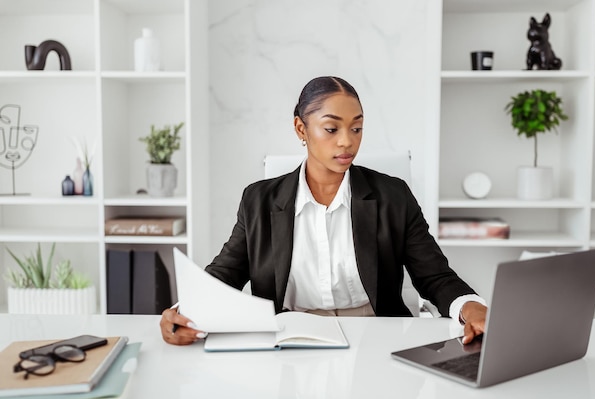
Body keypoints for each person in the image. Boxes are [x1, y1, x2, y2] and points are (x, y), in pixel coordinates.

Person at [160, 76, 487, 345]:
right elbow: (226, 273)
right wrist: (185, 311)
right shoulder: (258, 200)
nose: (347, 142)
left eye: (356, 128)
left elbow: (435, 276)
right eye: (332, 129)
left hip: (376, 339)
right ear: (302, 130)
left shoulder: (393, 196)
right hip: (290, 338)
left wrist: (471, 307)